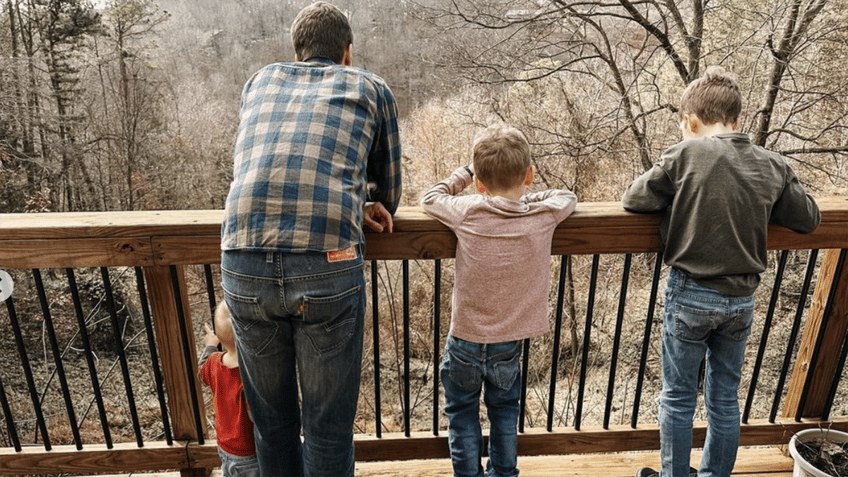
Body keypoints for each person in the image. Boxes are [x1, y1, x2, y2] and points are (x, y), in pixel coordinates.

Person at [219, 2, 402, 476]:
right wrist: (362, 202)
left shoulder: (260, 81)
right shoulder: (369, 86)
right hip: (327, 262)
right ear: (347, 52)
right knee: (327, 425)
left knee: (272, 423)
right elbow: (390, 189)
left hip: (243, 258)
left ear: (296, 51)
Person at [621, 66, 821, 477]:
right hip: (741, 301)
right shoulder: (772, 164)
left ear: (690, 122)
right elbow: (808, 219)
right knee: (725, 399)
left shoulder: (684, 154)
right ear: (737, 120)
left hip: (690, 293)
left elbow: (634, 199)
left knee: (677, 397)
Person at [420, 124, 577, 477]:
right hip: (508, 341)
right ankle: (504, 473)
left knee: (460, 412)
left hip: (465, 338)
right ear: (530, 174)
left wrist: (462, 175)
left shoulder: (470, 209)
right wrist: (526, 198)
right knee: (505, 410)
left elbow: (430, 198)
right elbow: (568, 197)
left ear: (479, 182)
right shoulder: (542, 215)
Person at [199, 304, 259, 477]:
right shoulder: (251, 374)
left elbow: (201, 371)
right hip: (250, 453)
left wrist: (210, 345)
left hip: (225, 448)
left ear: (219, 336)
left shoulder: (214, 363)